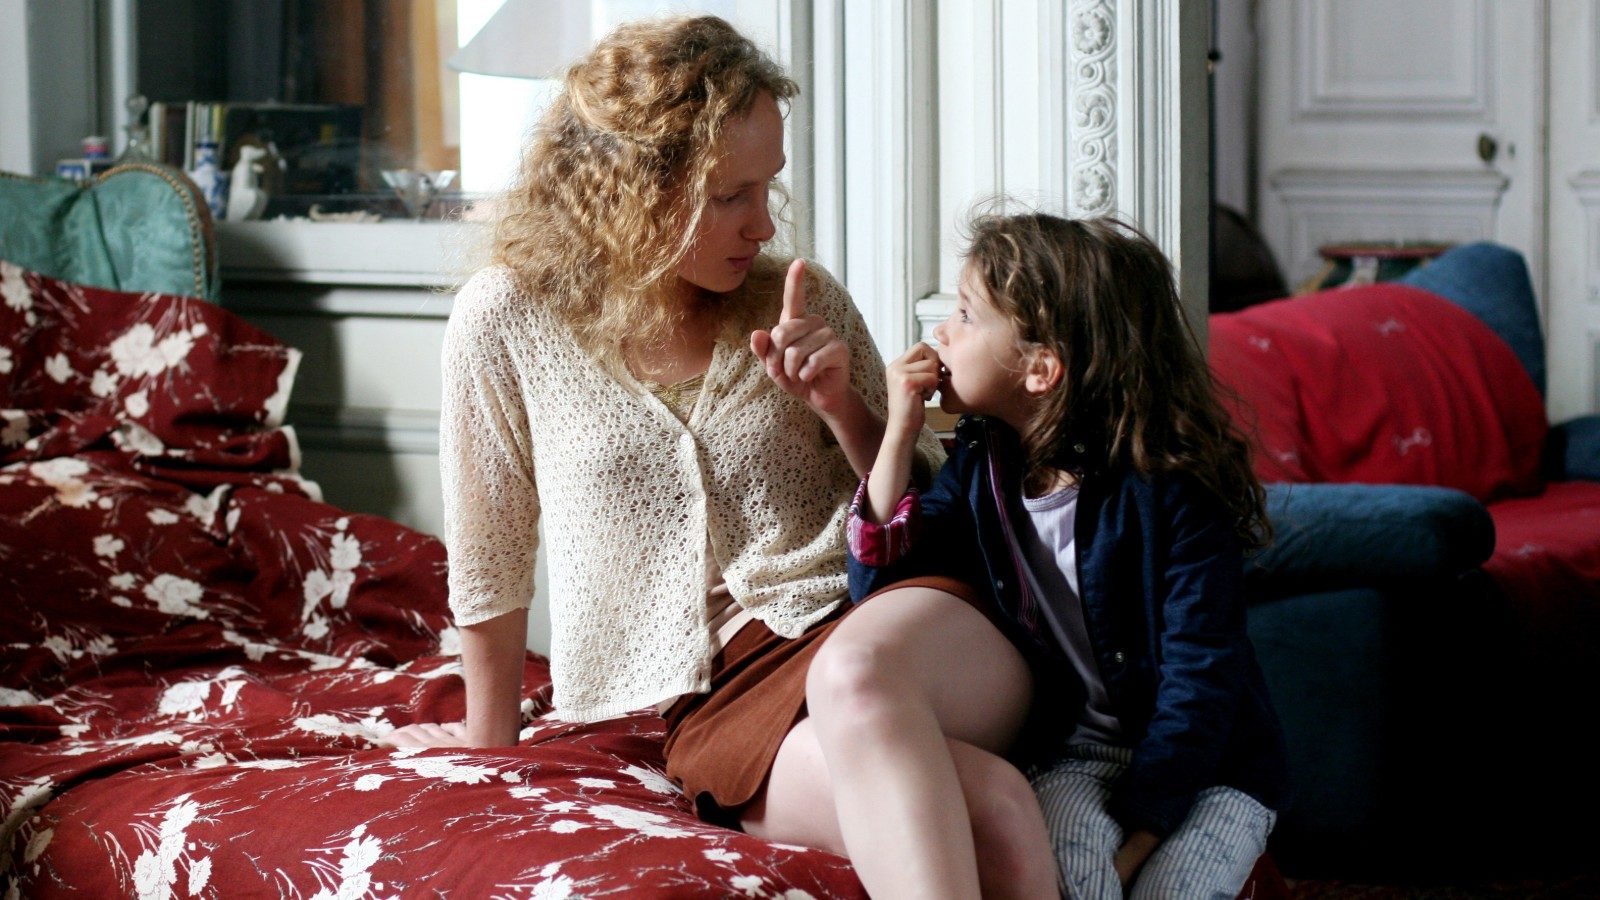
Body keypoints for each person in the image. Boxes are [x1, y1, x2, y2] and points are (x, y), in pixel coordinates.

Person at [384, 16, 1059, 898]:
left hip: (888, 623)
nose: (762, 222)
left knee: (858, 676)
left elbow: (924, 511)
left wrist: (843, 407)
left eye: (767, 187)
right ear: (629, 188)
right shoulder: (507, 319)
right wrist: (489, 736)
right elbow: (492, 547)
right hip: (717, 704)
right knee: (998, 809)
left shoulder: (799, 299)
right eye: (729, 195)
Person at [848, 213, 1290, 899]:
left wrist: (1141, 839)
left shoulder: (1170, 494)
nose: (940, 333)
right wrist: (899, 431)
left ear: (1041, 370)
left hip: (1210, 767)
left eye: (965, 315)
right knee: (1074, 881)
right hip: (1077, 757)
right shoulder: (982, 469)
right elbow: (876, 583)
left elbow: (1202, 682)